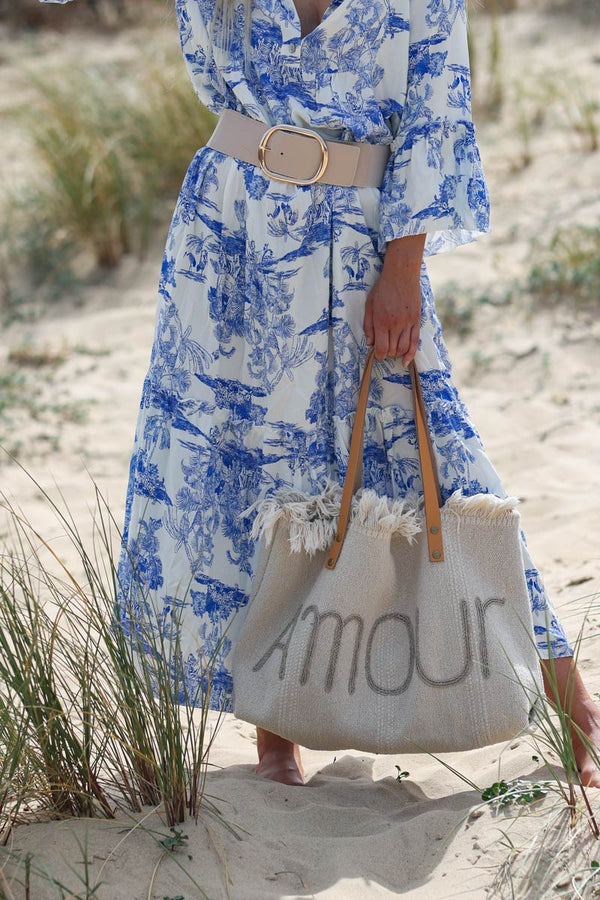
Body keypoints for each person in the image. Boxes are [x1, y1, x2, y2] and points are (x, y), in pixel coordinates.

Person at [39, 0, 600, 788]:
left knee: (438, 449)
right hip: (227, 233)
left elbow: (436, 115)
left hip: (361, 242)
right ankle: (277, 733)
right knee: (251, 462)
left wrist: (404, 269)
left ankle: (574, 704)